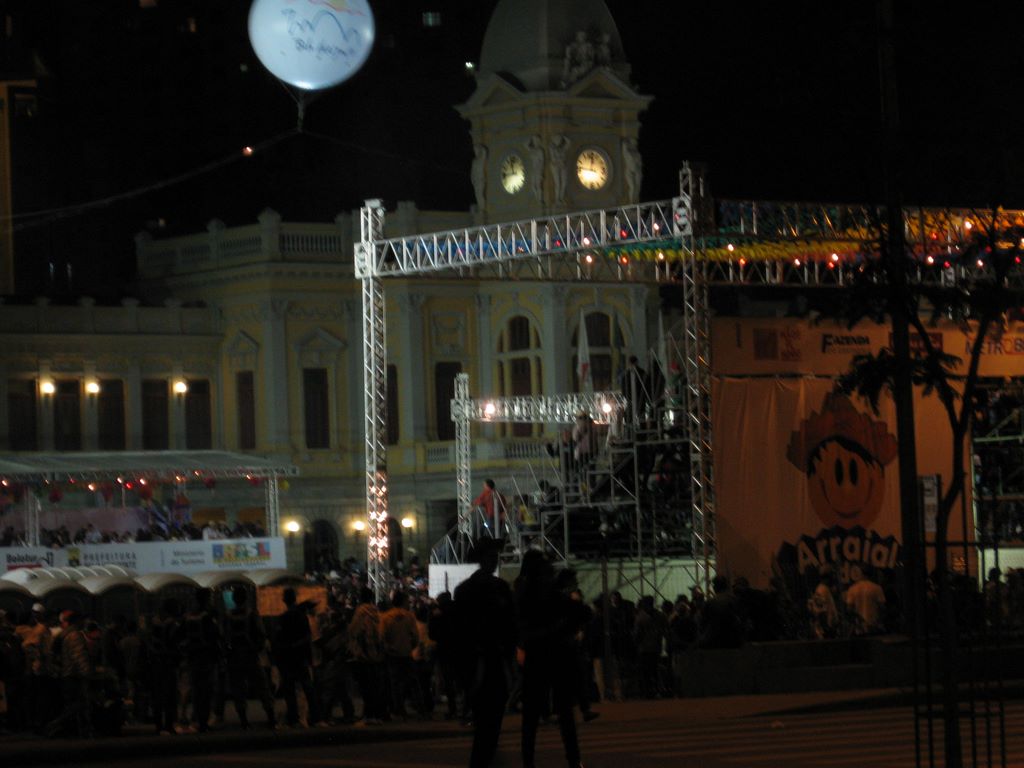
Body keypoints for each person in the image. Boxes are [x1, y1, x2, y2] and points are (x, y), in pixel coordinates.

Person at [516, 551, 586, 768]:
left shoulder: (526, 596)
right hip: (551, 658)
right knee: (560, 714)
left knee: (535, 716)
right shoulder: (545, 597)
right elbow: (582, 613)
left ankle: (532, 760)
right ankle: (572, 759)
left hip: (540, 658)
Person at [455, 538, 517, 768]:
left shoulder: (467, 589)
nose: (493, 561)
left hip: (482, 662)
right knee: (490, 723)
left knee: (487, 723)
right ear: (482, 560)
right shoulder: (496, 588)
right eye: (490, 557)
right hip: (488, 662)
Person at [223, 586, 276, 730]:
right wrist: (256, 649)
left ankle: (244, 721)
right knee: (262, 687)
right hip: (251, 656)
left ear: (234, 599)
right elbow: (261, 634)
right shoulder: (251, 613)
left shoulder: (228, 615)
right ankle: (271, 719)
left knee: (238, 690)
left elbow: (225, 637)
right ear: (245, 598)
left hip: (235, 657)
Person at [275, 587, 323, 727]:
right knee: (307, 688)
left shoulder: (283, 618)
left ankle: (294, 718)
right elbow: (307, 637)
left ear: (284, 600)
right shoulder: (301, 616)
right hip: (300, 657)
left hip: (288, 658)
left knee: (290, 690)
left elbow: (279, 639)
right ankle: (315, 717)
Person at [178, 587, 222, 732]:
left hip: (192, 658)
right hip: (207, 658)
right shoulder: (208, 616)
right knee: (207, 691)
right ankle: (203, 722)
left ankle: (196, 719)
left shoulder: (188, 616)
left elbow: (180, 636)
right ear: (206, 599)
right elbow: (216, 636)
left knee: (196, 691)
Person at [348, 587, 385, 724]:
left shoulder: (360, 613)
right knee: (374, 686)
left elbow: (354, 632)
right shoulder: (376, 613)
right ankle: (375, 715)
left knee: (366, 687)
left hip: (363, 655)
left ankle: (368, 715)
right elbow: (381, 634)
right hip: (376, 654)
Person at [379, 590, 419, 719]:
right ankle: (418, 708)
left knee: (394, 684)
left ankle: (397, 709)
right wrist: (409, 646)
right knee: (411, 682)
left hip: (392, 654)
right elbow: (415, 637)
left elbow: (381, 637)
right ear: (403, 601)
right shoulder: (409, 616)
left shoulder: (385, 617)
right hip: (406, 654)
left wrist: (388, 648)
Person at [845, 565, 886, 635]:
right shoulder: (877, 588)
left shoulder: (852, 589)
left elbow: (849, 609)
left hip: (859, 627)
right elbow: (882, 607)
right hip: (874, 626)